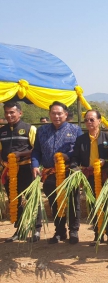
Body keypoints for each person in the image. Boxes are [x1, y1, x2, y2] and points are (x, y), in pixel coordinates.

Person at [31, 101, 83, 244]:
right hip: (49, 173)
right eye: (53, 113)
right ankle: (60, 232)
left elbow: (79, 150)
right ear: (49, 114)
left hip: (68, 172)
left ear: (66, 114)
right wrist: (35, 165)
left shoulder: (75, 129)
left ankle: (74, 231)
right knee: (54, 203)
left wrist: (68, 155)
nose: (56, 116)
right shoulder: (41, 131)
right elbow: (36, 150)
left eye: (59, 113)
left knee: (73, 202)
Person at [69, 110, 108, 245]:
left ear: (99, 121)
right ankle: (98, 233)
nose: (89, 122)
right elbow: (75, 158)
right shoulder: (81, 139)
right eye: (86, 120)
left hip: (105, 175)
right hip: (89, 176)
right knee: (93, 204)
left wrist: (105, 161)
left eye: (92, 120)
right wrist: (75, 168)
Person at [1, 102, 41, 242]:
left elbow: (37, 150)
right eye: (6, 112)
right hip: (10, 171)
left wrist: (20, 154)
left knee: (32, 198)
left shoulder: (29, 129)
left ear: (20, 113)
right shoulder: (2, 131)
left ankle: (36, 229)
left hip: (26, 168)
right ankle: (20, 229)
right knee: (15, 199)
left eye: (12, 112)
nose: (9, 115)